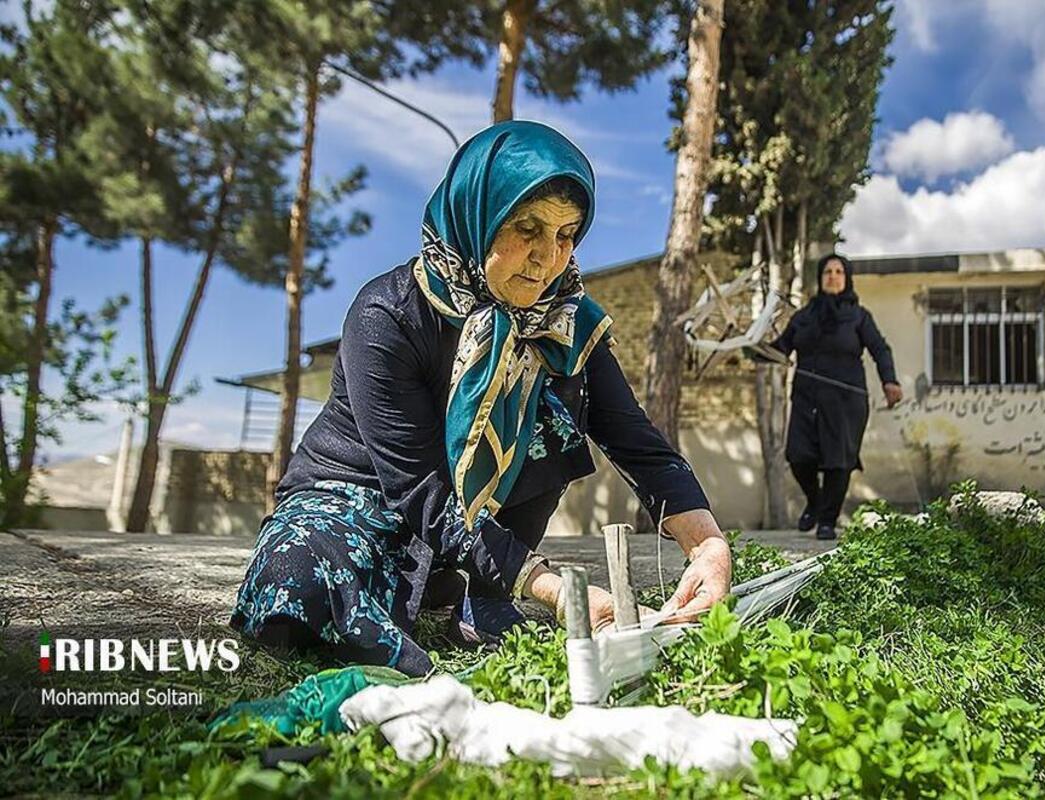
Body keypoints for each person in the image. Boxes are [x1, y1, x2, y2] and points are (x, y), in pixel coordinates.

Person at [230, 121, 732, 675]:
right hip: (359, 501)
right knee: (299, 578)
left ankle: (480, 599)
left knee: (558, 387)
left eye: (566, 236)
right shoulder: (389, 316)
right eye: (527, 227)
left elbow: (636, 443)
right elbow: (419, 492)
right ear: (477, 214)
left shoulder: (563, 324)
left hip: (475, 538)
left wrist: (707, 546)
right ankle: (466, 590)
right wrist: (559, 590)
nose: (547, 259)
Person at [767, 253, 901, 540]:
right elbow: (780, 349)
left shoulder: (859, 316)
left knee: (838, 461)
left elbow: (880, 350)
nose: (833, 276)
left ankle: (827, 520)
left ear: (847, 277)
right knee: (798, 455)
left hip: (846, 402)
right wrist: (751, 348)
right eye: (828, 271)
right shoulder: (803, 317)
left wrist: (890, 381)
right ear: (820, 277)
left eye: (839, 271)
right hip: (806, 398)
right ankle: (815, 503)